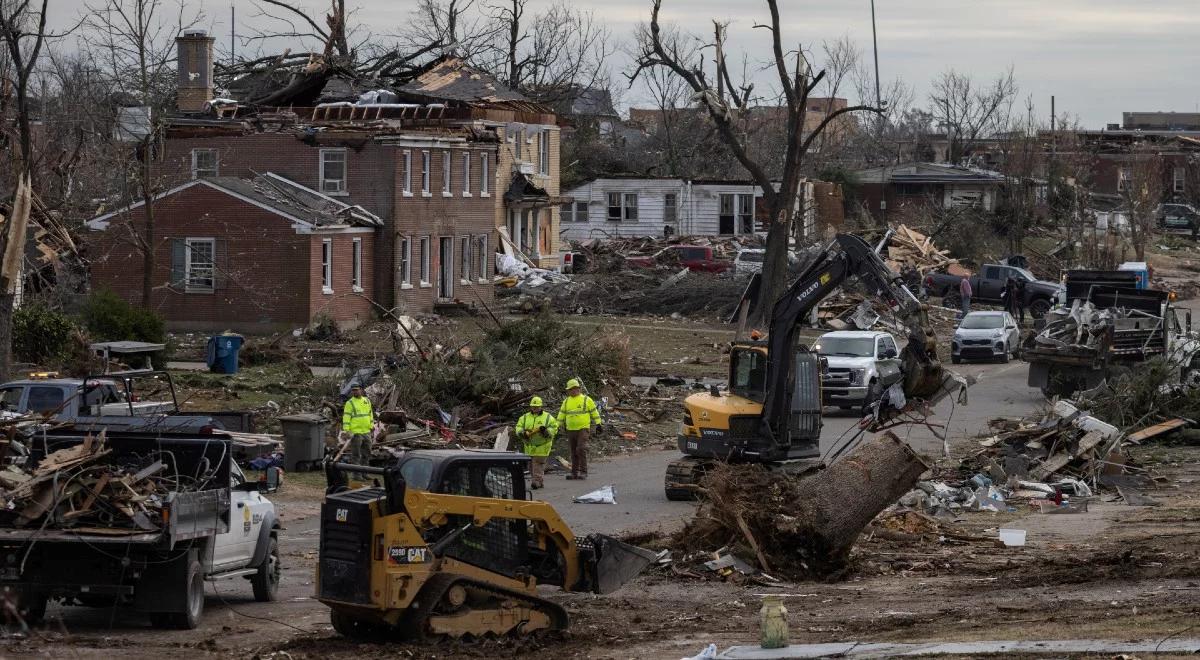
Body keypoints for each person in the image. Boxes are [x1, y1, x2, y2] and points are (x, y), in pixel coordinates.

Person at [557, 378, 602, 480]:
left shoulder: (586, 399)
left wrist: (599, 423)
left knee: (581, 449)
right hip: (570, 429)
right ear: (568, 391)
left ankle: (583, 471)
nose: (573, 391)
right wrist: (556, 426)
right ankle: (574, 473)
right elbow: (561, 415)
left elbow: (594, 412)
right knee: (573, 451)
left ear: (579, 389)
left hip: (583, 428)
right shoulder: (566, 401)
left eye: (575, 388)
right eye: (571, 389)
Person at [515, 396, 558, 489]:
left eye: (537, 406)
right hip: (529, 446)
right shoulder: (525, 417)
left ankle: (536, 482)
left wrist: (547, 432)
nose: (535, 408)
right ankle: (539, 481)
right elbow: (518, 427)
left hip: (542, 446)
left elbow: (554, 427)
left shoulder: (548, 417)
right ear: (531, 406)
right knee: (531, 465)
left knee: (537, 464)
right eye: (533, 406)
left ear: (541, 406)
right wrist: (522, 433)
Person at [341, 384, 375, 468]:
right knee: (356, 454)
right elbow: (346, 417)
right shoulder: (350, 403)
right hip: (356, 433)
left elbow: (370, 414)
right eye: (353, 390)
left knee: (367, 453)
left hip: (366, 431)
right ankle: (357, 475)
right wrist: (347, 430)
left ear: (361, 390)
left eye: (356, 390)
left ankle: (365, 472)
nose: (355, 392)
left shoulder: (366, 401)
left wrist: (372, 425)